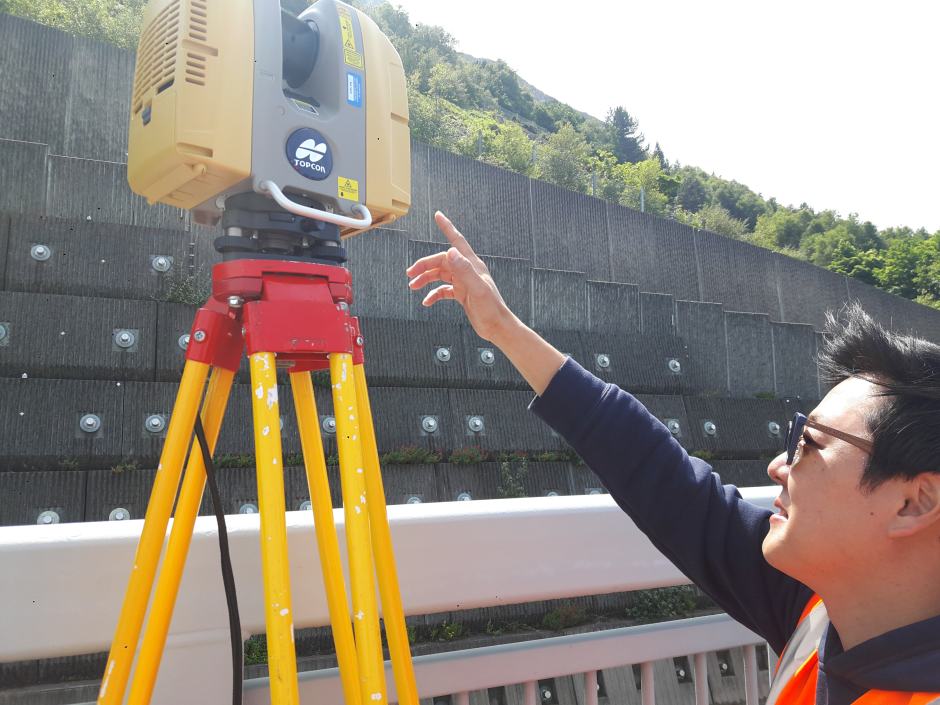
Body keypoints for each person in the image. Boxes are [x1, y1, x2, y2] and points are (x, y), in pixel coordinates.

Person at [405, 211, 940, 704]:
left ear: (914, 502)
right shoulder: (820, 608)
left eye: (810, 443)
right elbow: (660, 476)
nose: (780, 465)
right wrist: (501, 327)